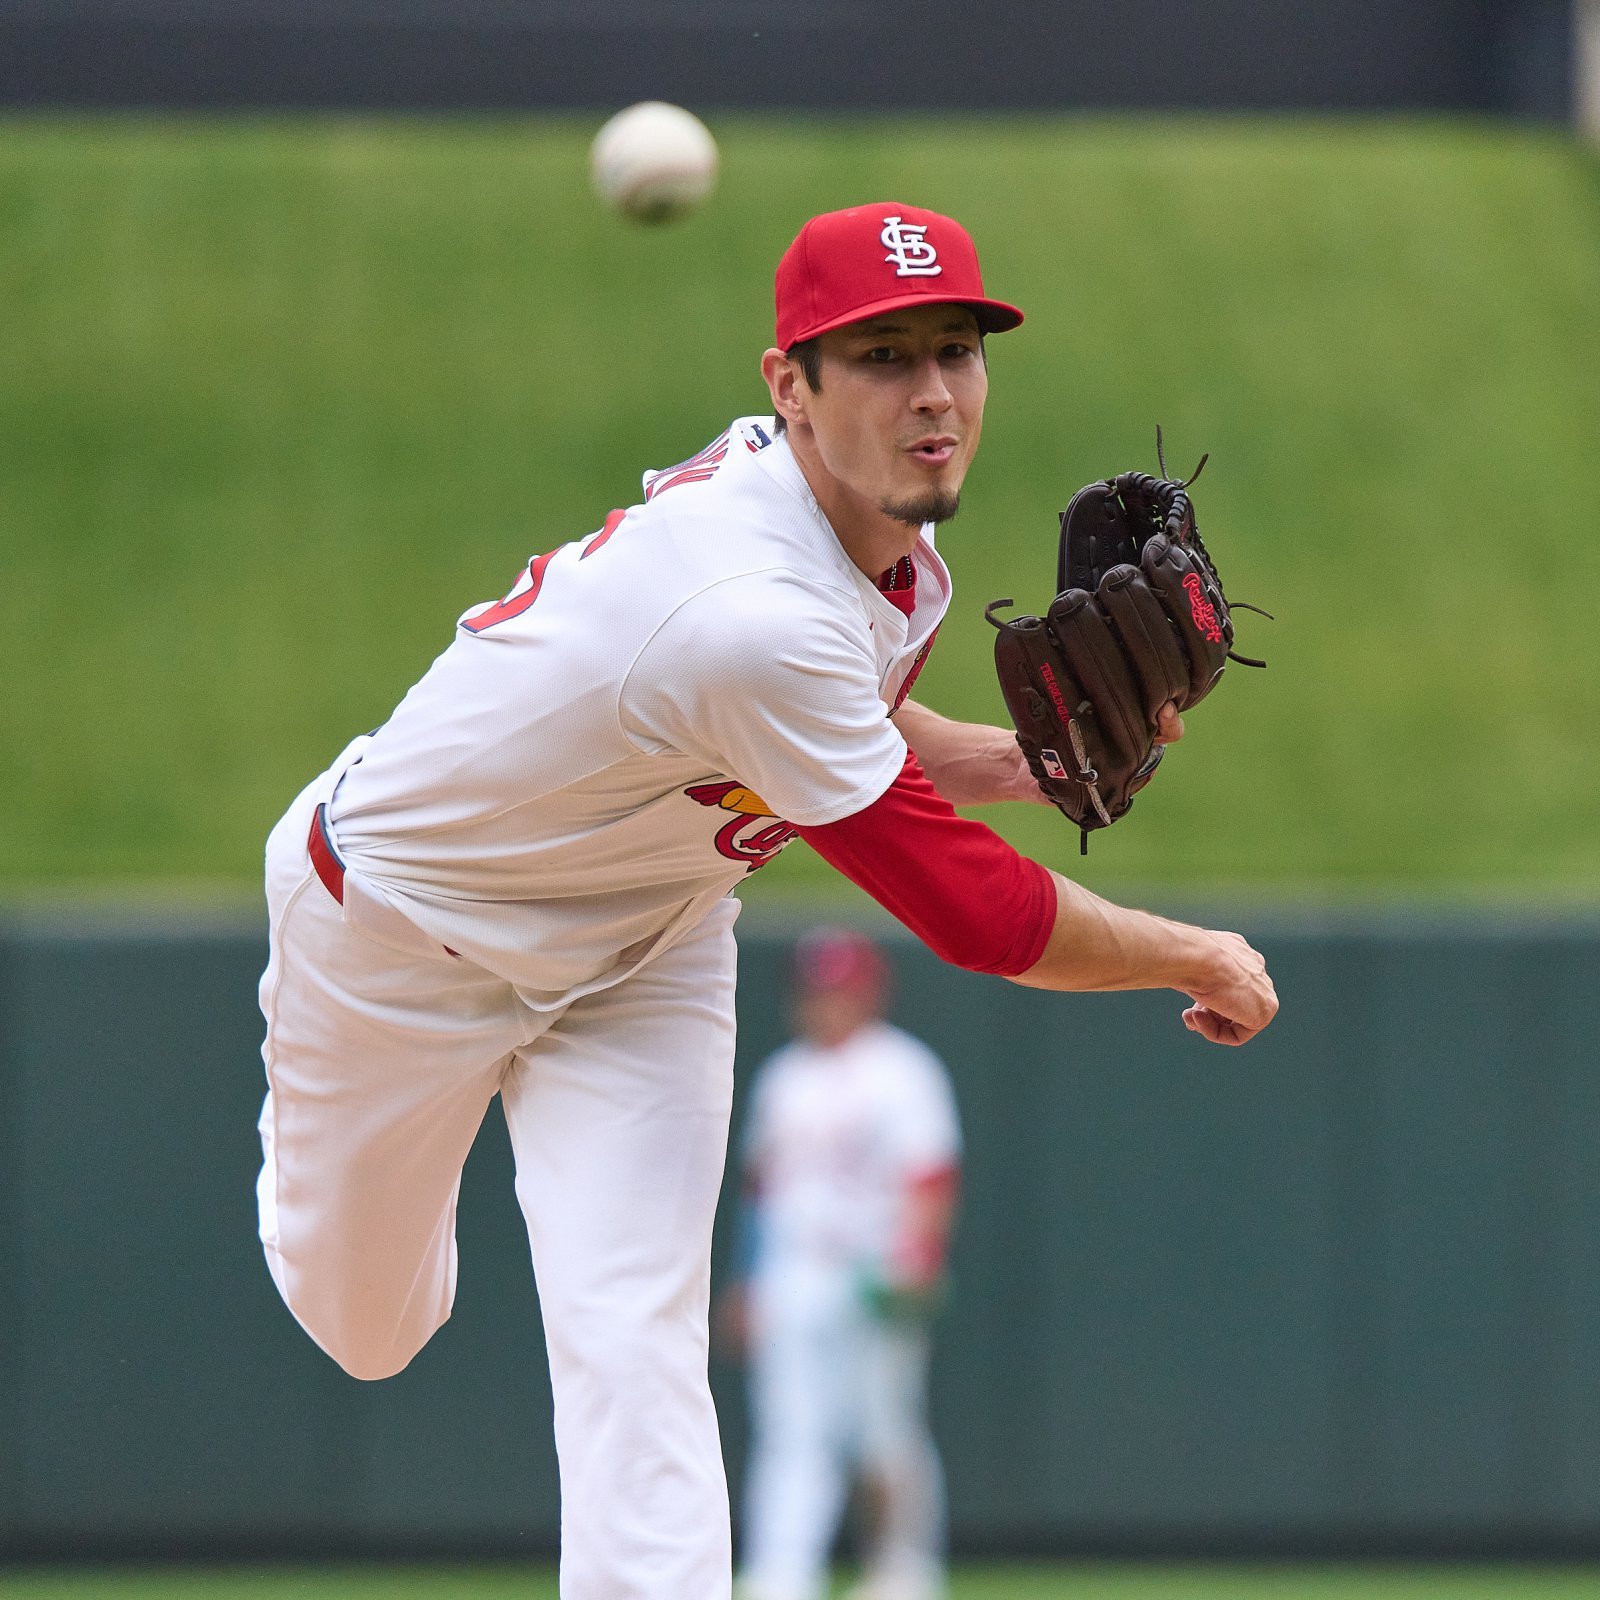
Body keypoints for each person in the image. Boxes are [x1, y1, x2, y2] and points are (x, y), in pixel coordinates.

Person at [253, 200, 1277, 1600]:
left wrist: (1032, 770)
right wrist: (1193, 952)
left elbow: (836, 730)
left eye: (958, 349)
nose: (933, 393)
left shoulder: (891, 560)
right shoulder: (748, 607)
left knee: (636, 1334)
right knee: (369, 1326)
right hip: (395, 939)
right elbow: (978, 915)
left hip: (644, 945)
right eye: (882, 357)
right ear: (787, 387)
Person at [725, 927, 961, 1600]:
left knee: (884, 1432)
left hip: (872, 1270)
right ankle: (783, 1572)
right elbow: (762, 1188)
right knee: (790, 1432)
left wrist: (917, 1256)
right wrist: (747, 1278)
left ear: (870, 991)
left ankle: (904, 1567)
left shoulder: (901, 1067)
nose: (828, 1001)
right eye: (817, 988)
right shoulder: (784, 1077)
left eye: (841, 987)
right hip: (794, 1272)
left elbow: (931, 1175)